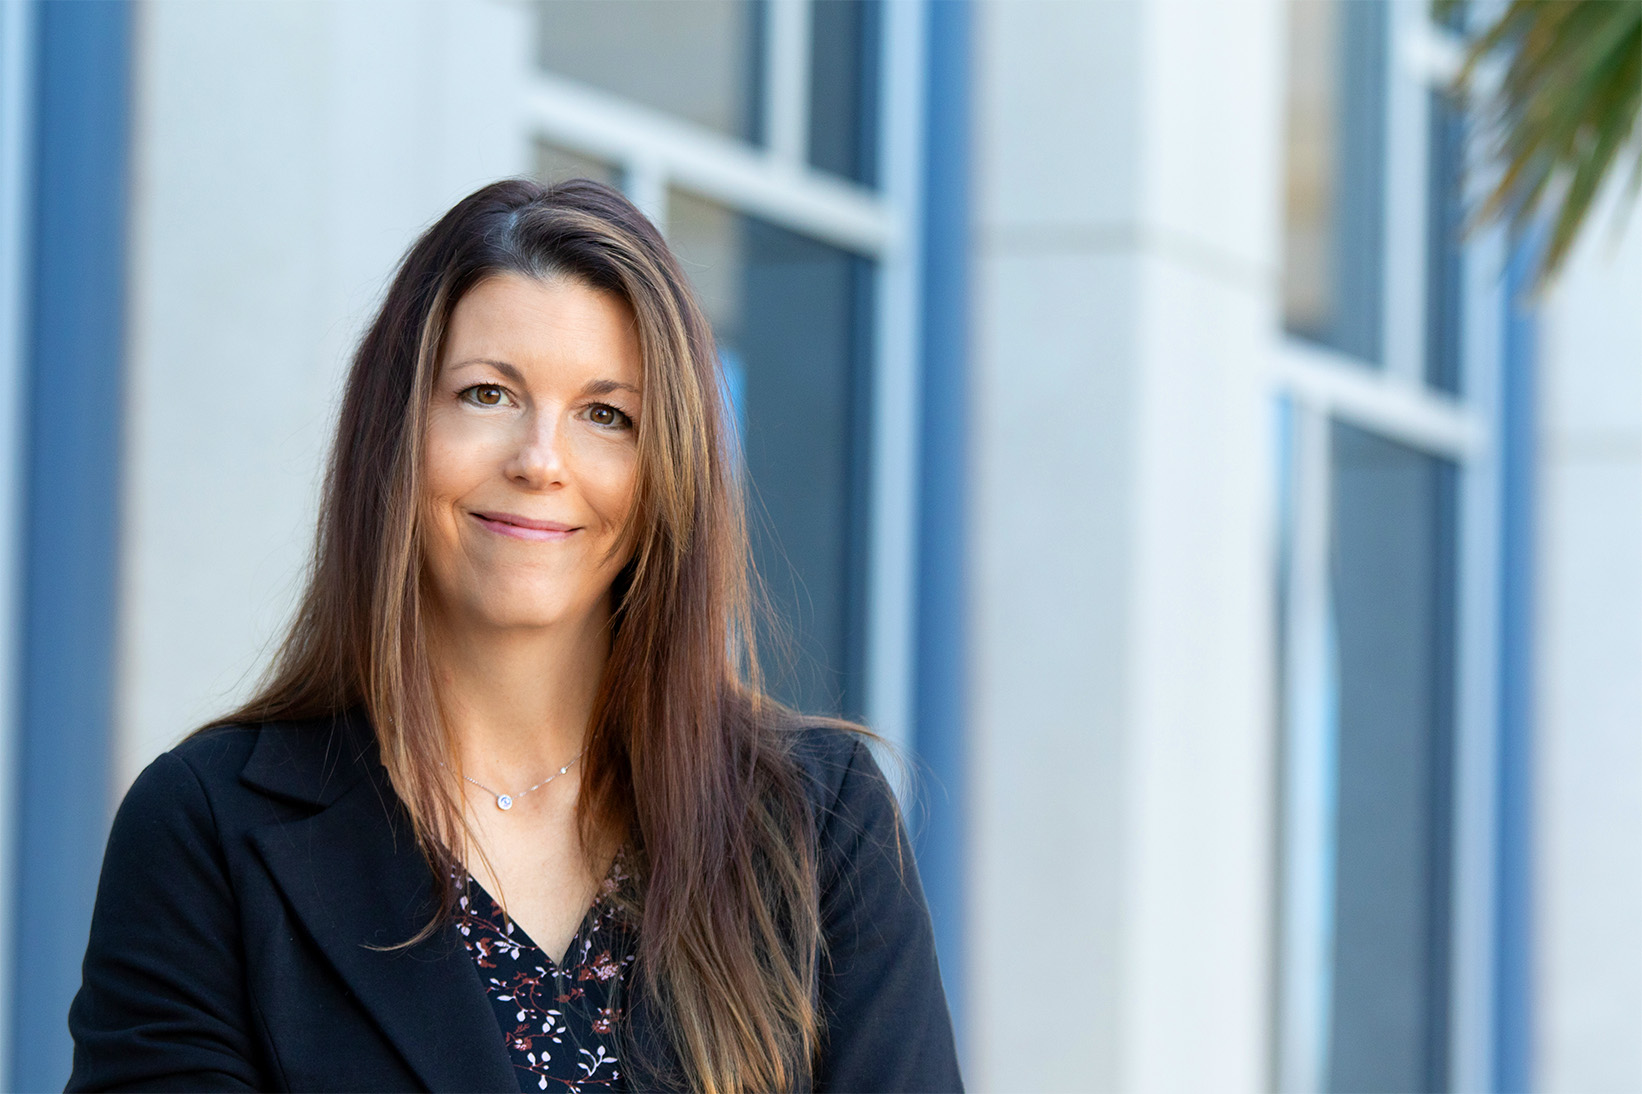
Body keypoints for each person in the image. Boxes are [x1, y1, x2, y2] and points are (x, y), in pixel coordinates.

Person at [67, 178, 961, 1093]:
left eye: (606, 415)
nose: (541, 460)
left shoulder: (816, 824)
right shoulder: (209, 829)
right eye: (488, 394)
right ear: (397, 434)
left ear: (668, 477)